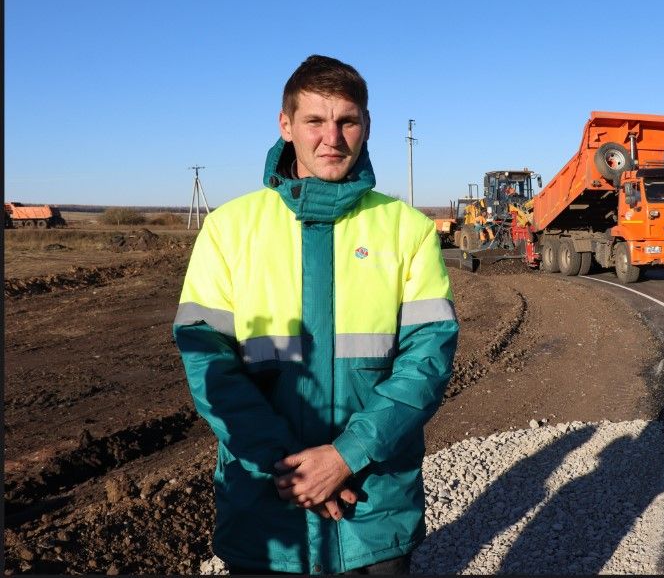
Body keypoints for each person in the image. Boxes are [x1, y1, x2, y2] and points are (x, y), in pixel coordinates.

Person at [173, 55, 458, 574]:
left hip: (372, 499)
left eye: (347, 120)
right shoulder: (228, 230)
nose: (333, 137)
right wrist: (293, 469)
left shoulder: (406, 229)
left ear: (366, 126)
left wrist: (346, 456)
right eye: (315, 121)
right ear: (286, 125)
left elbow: (428, 360)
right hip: (265, 502)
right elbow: (207, 362)